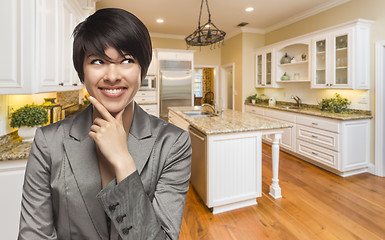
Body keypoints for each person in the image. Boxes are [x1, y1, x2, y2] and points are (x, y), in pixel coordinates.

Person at [18, 8, 191, 240]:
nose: (112, 75)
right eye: (98, 61)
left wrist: (123, 160)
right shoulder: (48, 142)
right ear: (82, 71)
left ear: (142, 70)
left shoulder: (173, 143)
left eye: (127, 60)